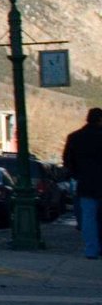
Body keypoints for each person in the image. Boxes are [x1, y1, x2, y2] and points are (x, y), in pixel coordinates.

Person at [61, 107, 102, 260]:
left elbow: (67, 161)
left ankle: (91, 249)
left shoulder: (75, 137)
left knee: (88, 218)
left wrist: (77, 174)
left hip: (85, 183)